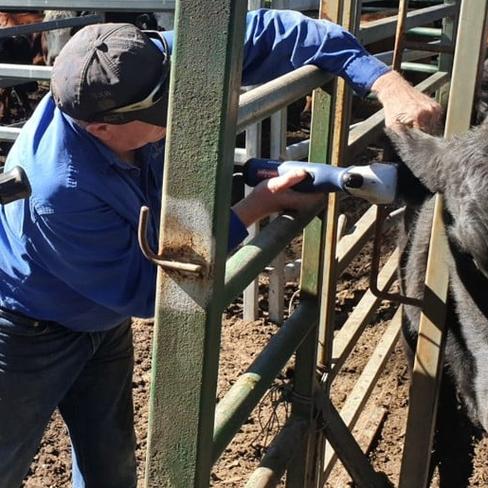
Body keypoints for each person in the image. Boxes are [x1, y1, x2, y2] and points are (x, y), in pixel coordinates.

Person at [0, 9, 441, 488]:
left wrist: (382, 80)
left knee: (111, 463)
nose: (178, 112)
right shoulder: (58, 190)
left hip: (102, 321)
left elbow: (274, 32)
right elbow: (149, 289)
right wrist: (252, 208)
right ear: (103, 128)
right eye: (161, 113)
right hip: (31, 331)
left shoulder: (139, 66)